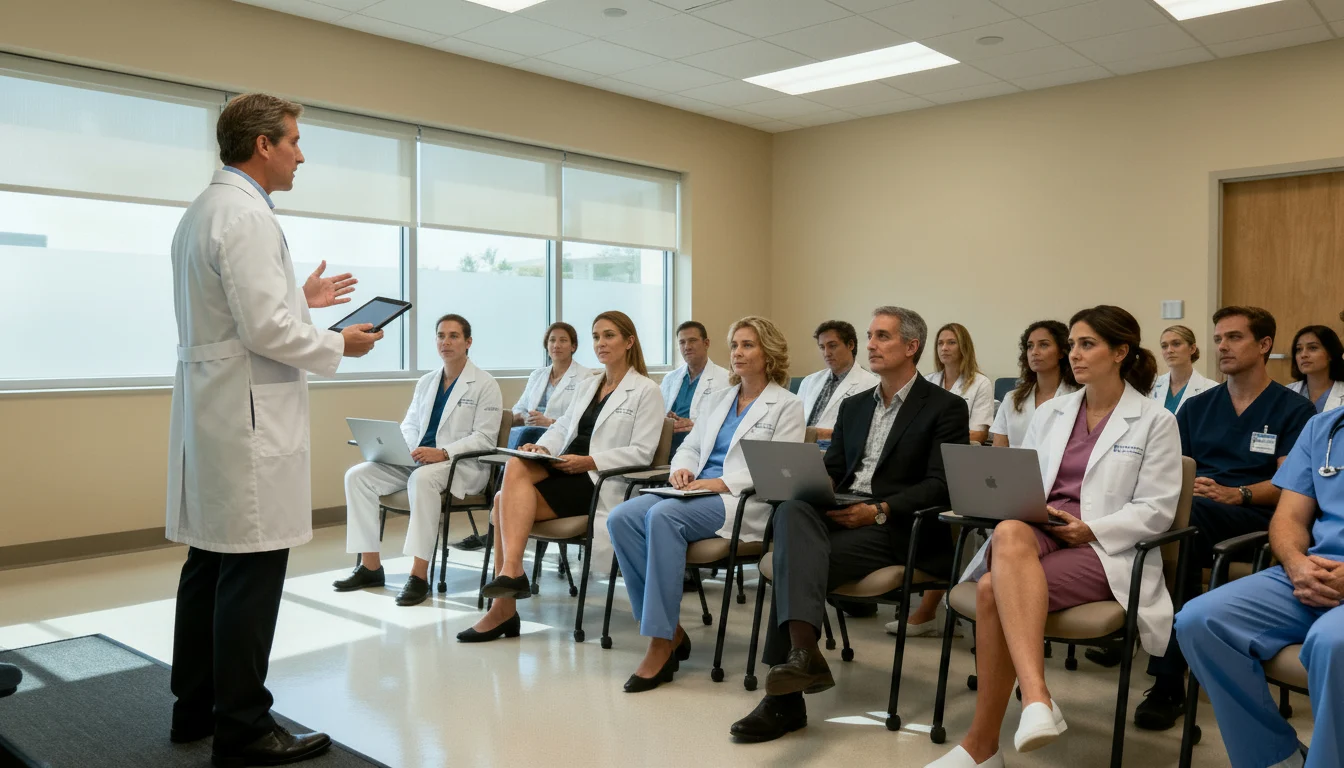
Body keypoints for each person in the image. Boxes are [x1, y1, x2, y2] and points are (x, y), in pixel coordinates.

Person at [168, 94, 381, 766]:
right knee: (252, 570)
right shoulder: (248, 216)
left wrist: (301, 298)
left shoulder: (204, 210)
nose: (300, 153)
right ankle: (244, 727)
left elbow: (237, 313)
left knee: (209, 561)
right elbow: (265, 331)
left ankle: (194, 708)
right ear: (262, 144)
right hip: (249, 415)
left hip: (214, 409)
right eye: (293, 140)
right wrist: (338, 342)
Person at [926, 305, 1182, 768]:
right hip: (1040, 529)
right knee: (1008, 527)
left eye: (1087, 345)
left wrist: (1092, 529)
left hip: (1104, 546)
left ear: (1120, 352)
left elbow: (1157, 510)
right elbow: (1025, 480)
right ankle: (1037, 699)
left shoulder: (1154, 420)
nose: (1075, 355)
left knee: (989, 591)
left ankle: (983, 747)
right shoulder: (1053, 412)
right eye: (1073, 346)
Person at [728, 306, 969, 744]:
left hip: (898, 526)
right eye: (870, 335)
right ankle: (804, 656)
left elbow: (941, 486)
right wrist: (808, 483)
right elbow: (834, 469)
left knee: (791, 559)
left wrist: (878, 510)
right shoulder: (856, 406)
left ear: (911, 347)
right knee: (792, 511)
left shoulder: (946, 408)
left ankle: (784, 700)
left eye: (882, 337)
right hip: (843, 513)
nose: (871, 345)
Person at [1132, 307, 1316, 730]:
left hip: (1256, 516)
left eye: (1234, 338)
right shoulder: (1199, 407)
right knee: (1168, 523)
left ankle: (1166, 680)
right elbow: (1169, 465)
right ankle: (1153, 638)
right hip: (1197, 509)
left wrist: (1240, 493)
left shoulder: (1292, 410)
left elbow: (1290, 484)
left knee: (1181, 529)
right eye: (1218, 339)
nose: (1222, 348)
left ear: (1264, 345)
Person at [607, 316, 805, 692]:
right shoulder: (719, 400)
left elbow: (781, 469)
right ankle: (672, 629)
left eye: (748, 345)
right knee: (621, 518)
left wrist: (722, 483)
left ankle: (660, 643)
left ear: (769, 353)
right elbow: (693, 447)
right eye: (734, 345)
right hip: (694, 491)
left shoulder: (787, 405)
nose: (738, 353)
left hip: (740, 501)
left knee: (663, 516)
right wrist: (680, 470)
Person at [458, 311, 664, 642]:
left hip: (599, 480)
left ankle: (504, 609)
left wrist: (589, 460)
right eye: (596, 336)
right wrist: (542, 449)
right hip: (564, 466)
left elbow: (642, 452)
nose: (601, 343)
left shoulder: (645, 390)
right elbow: (564, 427)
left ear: (629, 341)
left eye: (609, 336)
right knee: (518, 463)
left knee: (500, 504)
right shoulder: (589, 384)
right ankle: (512, 574)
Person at [1176, 407, 1344, 768]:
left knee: (1332, 643)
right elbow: (1289, 517)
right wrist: (1296, 563)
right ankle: (1274, 758)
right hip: (1311, 572)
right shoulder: (1324, 428)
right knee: (1199, 621)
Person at [334, 314, 503, 606]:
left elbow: (485, 438)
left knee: (422, 479)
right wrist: (400, 448)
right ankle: (370, 567)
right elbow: (411, 424)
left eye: (453, 336)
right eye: (440, 335)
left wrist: (444, 452)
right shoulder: (426, 382)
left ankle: (419, 575)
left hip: (459, 466)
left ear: (468, 342)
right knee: (357, 476)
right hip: (418, 461)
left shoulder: (486, 384)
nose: (445, 342)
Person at [989, 320, 1078, 448]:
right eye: (1030, 346)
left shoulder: (1078, 396)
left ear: (1061, 352)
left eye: (1043, 345)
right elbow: (998, 453)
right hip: (1015, 467)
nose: (1034, 352)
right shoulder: (1012, 399)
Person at [509, 322, 595, 448]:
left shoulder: (586, 377)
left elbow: (583, 422)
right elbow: (518, 408)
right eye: (552, 340)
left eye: (563, 340)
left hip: (561, 439)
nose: (556, 345)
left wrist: (549, 422)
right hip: (530, 433)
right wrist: (525, 417)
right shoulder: (537, 375)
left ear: (573, 347)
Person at [798, 319, 878, 442]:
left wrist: (817, 434)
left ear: (851, 345)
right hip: (799, 449)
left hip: (838, 453)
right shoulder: (809, 381)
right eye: (822, 347)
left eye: (832, 346)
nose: (826, 353)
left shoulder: (872, 385)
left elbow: (867, 433)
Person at [660, 321, 729, 453]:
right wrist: (668, 420)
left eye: (692, 341)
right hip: (669, 449)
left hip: (703, 451)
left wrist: (695, 426)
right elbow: (658, 414)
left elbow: (728, 425)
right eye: (682, 342)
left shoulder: (726, 380)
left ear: (706, 343)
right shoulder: (670, 379)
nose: (687, 347)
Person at [927, 323, 995, 444]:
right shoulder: (928, 381)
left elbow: (979, 435)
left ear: (964, 347)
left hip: (961, 453)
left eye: (951, 342)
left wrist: (933, 438)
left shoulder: (981, 383)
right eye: (940, 343)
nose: (944, 348)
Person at [1150, 325, 1216, 414]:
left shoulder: (1211, 389)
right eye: (1164, 346)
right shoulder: (1151, 386)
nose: (1169, 350)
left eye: (1176, 344)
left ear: (1192, 348)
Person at [1287, 325, 1344, 414]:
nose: (1303, 355)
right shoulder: (1286, 393)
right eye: (1299, 349)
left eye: (1313, 348)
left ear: (1331, 354)